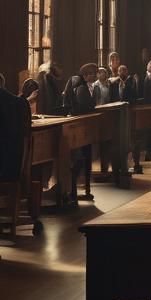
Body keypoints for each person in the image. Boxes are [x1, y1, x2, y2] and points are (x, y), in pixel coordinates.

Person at [62, 63, 97, 200]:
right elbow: (85, 106)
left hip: (83, 127)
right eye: (92, 74)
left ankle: (79, 189)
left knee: (82, 158)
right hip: (81, 127)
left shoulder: (83, 85)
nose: (94, 76)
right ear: (85, 75)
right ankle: (75, 190)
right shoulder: (81, 88)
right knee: (80, 158)